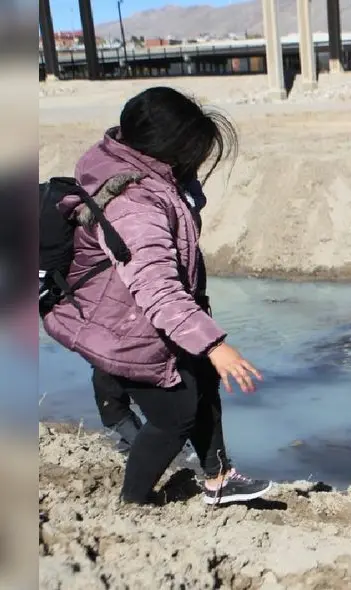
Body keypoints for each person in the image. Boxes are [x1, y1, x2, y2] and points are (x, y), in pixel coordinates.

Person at [42, 87, 271, 506]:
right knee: (175, 415)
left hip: (138, 315)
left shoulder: (140, 169)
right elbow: (157, 288)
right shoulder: (134, 204)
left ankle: (219, 478)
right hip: (125, 327)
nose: (198, 161)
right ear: (166, 148)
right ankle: (134, 500)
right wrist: (216, 345)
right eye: (193, 151)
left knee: (202, 381)